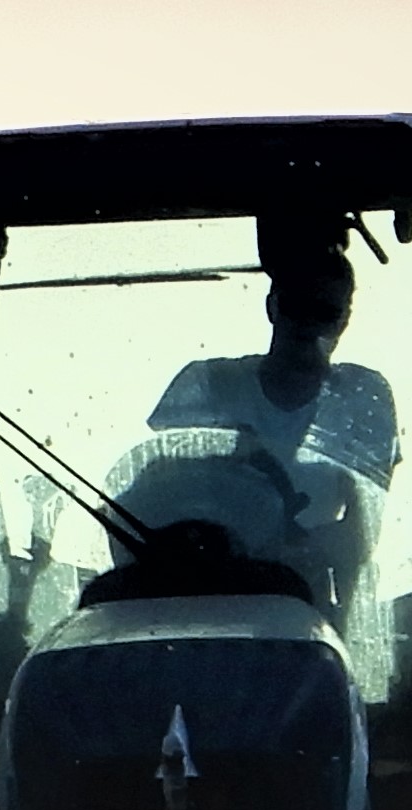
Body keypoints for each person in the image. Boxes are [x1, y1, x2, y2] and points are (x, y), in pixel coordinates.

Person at [141, 212, 397, 598]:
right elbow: (156, 493)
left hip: (312, 606)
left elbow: (362, 531)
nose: (309, 325)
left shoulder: (361, 398)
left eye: (325, 313)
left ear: (345, 320)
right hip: (202, 593)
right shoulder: (207, 386)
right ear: (272, 307)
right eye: (298, 306)